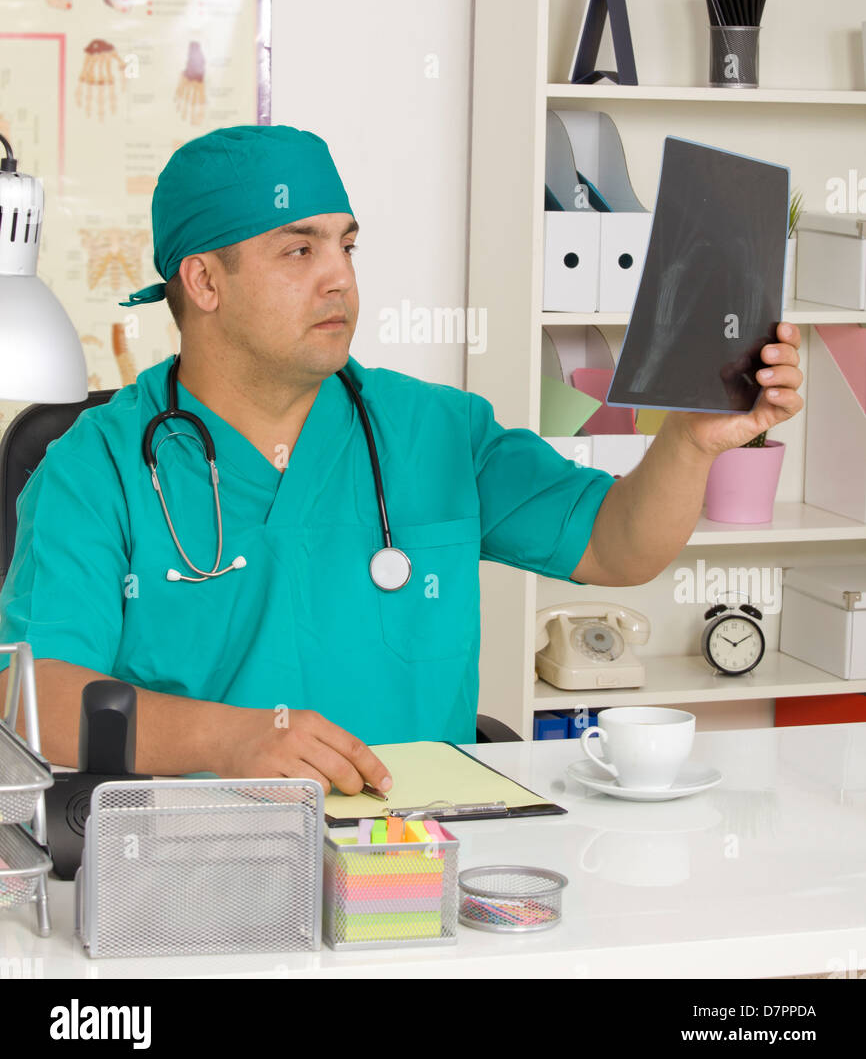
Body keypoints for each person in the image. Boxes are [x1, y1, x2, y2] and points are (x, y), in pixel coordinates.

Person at [0, 124, 803, 797]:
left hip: (418, 857)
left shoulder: (434, 430)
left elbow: (618, 547)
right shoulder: (92, 470)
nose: (340, 276)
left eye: (346, 245)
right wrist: (228, 739)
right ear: (204, 282)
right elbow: (33, 695)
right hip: (203, 868)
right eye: (298, 251)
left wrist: (690, 441)